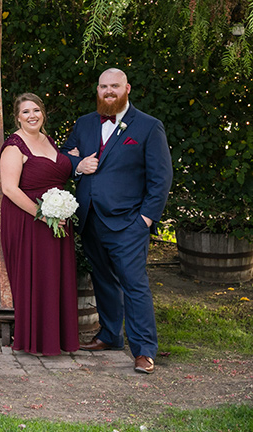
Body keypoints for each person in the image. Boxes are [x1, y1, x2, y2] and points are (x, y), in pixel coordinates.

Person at [62, 68, 172, 374]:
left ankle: (144, 349)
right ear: (97, 91)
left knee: (134, 285)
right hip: (90, 219)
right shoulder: (85, 124)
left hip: (129, 223)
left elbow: (161, 178)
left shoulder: (149, 127)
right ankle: (110, 335)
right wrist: (78, 165)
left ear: (127, 89)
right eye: (103, 86)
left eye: (114, 86)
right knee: (103, 280)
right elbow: (64, 156)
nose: (108, 91)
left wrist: (146, 220)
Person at [0, 93, 78, 356]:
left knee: (55, 276)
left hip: (58, 220)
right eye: (25, 112)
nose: (32, 115)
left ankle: (57, 338)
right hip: (27, 221)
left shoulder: (48, 140)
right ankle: (36, 340)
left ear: (42, 113)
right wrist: (43, 215)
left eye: (36, 110)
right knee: (36, 277)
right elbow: (9, 188)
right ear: (17, 117)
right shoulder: (14, 146)